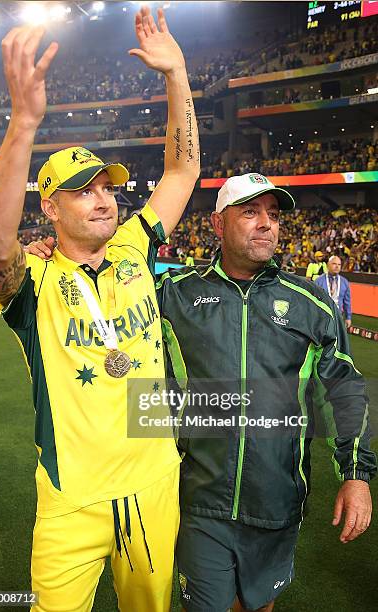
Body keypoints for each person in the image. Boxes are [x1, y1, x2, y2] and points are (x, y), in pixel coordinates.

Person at [0, 8, 199, 612]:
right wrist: (24, 122)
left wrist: (177, 75)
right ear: (48, 208)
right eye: (83, 189)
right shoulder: (34, 279)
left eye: (107, 186)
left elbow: (183, 170)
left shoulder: (134, 244)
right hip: (71, 499)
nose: (104, 199)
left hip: (154, 483)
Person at [156, 174, 376, 612]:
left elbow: (344, 392)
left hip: (276, 499)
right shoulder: (175, 294)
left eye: (273, 216)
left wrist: (356, 474)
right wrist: (47, 253)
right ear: (218, 225)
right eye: (251, 212)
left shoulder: (311, 304)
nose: (266, 224)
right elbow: (107, 294)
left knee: (258, 607)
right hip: (199, 498)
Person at [315, 255, 352, 329]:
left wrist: (348, 317)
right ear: (328, 265)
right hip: (322, 318)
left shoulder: (344, 282)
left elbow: (347, 302)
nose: (337, 266)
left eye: (339, 264)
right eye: (334, 264)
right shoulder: (319, 281)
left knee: (337, 339)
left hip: (338, 318)